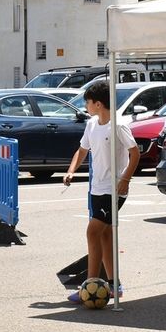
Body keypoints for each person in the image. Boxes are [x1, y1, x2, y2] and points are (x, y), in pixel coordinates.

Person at [62, 81, 139, 302]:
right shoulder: (92, 124)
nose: (85, 105)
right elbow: (82, 150)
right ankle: (115, 285)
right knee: (105, 235)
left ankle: (90, 285)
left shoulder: (118, 125)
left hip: (114, 190)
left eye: (87, 102)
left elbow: (135, 154)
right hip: (97, 188)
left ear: (98, 103)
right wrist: (71, 171)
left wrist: (125, 180)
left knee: (92, 232)